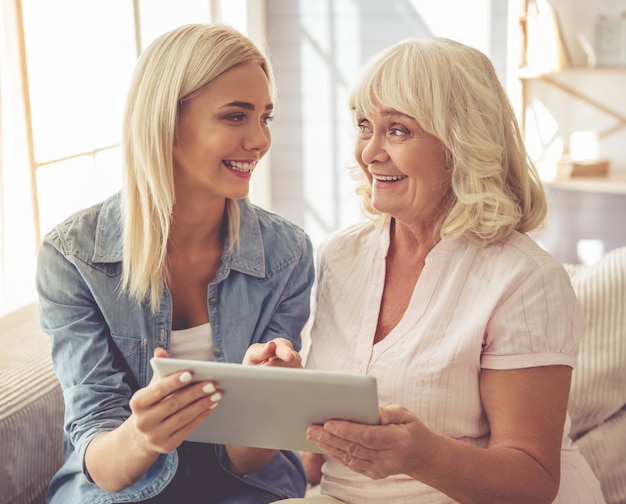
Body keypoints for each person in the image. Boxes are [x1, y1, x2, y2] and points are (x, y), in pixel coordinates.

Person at [275, 38, 605, 503]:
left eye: (398, 130)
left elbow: (532, 480)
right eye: (364, 126)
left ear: (462, 143)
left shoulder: (525, 278)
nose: (370, 152)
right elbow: (316, 458)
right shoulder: (340, 254)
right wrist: (287, 396)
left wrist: (421, 455)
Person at [36, 23, 314, 504]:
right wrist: (144, 435)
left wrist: (268, 405)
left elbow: (251, 461)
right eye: (235, 117)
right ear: (167, 122)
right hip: (123, 484)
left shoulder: (287, 254)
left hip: (246, 486)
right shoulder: (72, 257)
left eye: (265, 117)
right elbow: (101, 457)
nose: (259, 140)